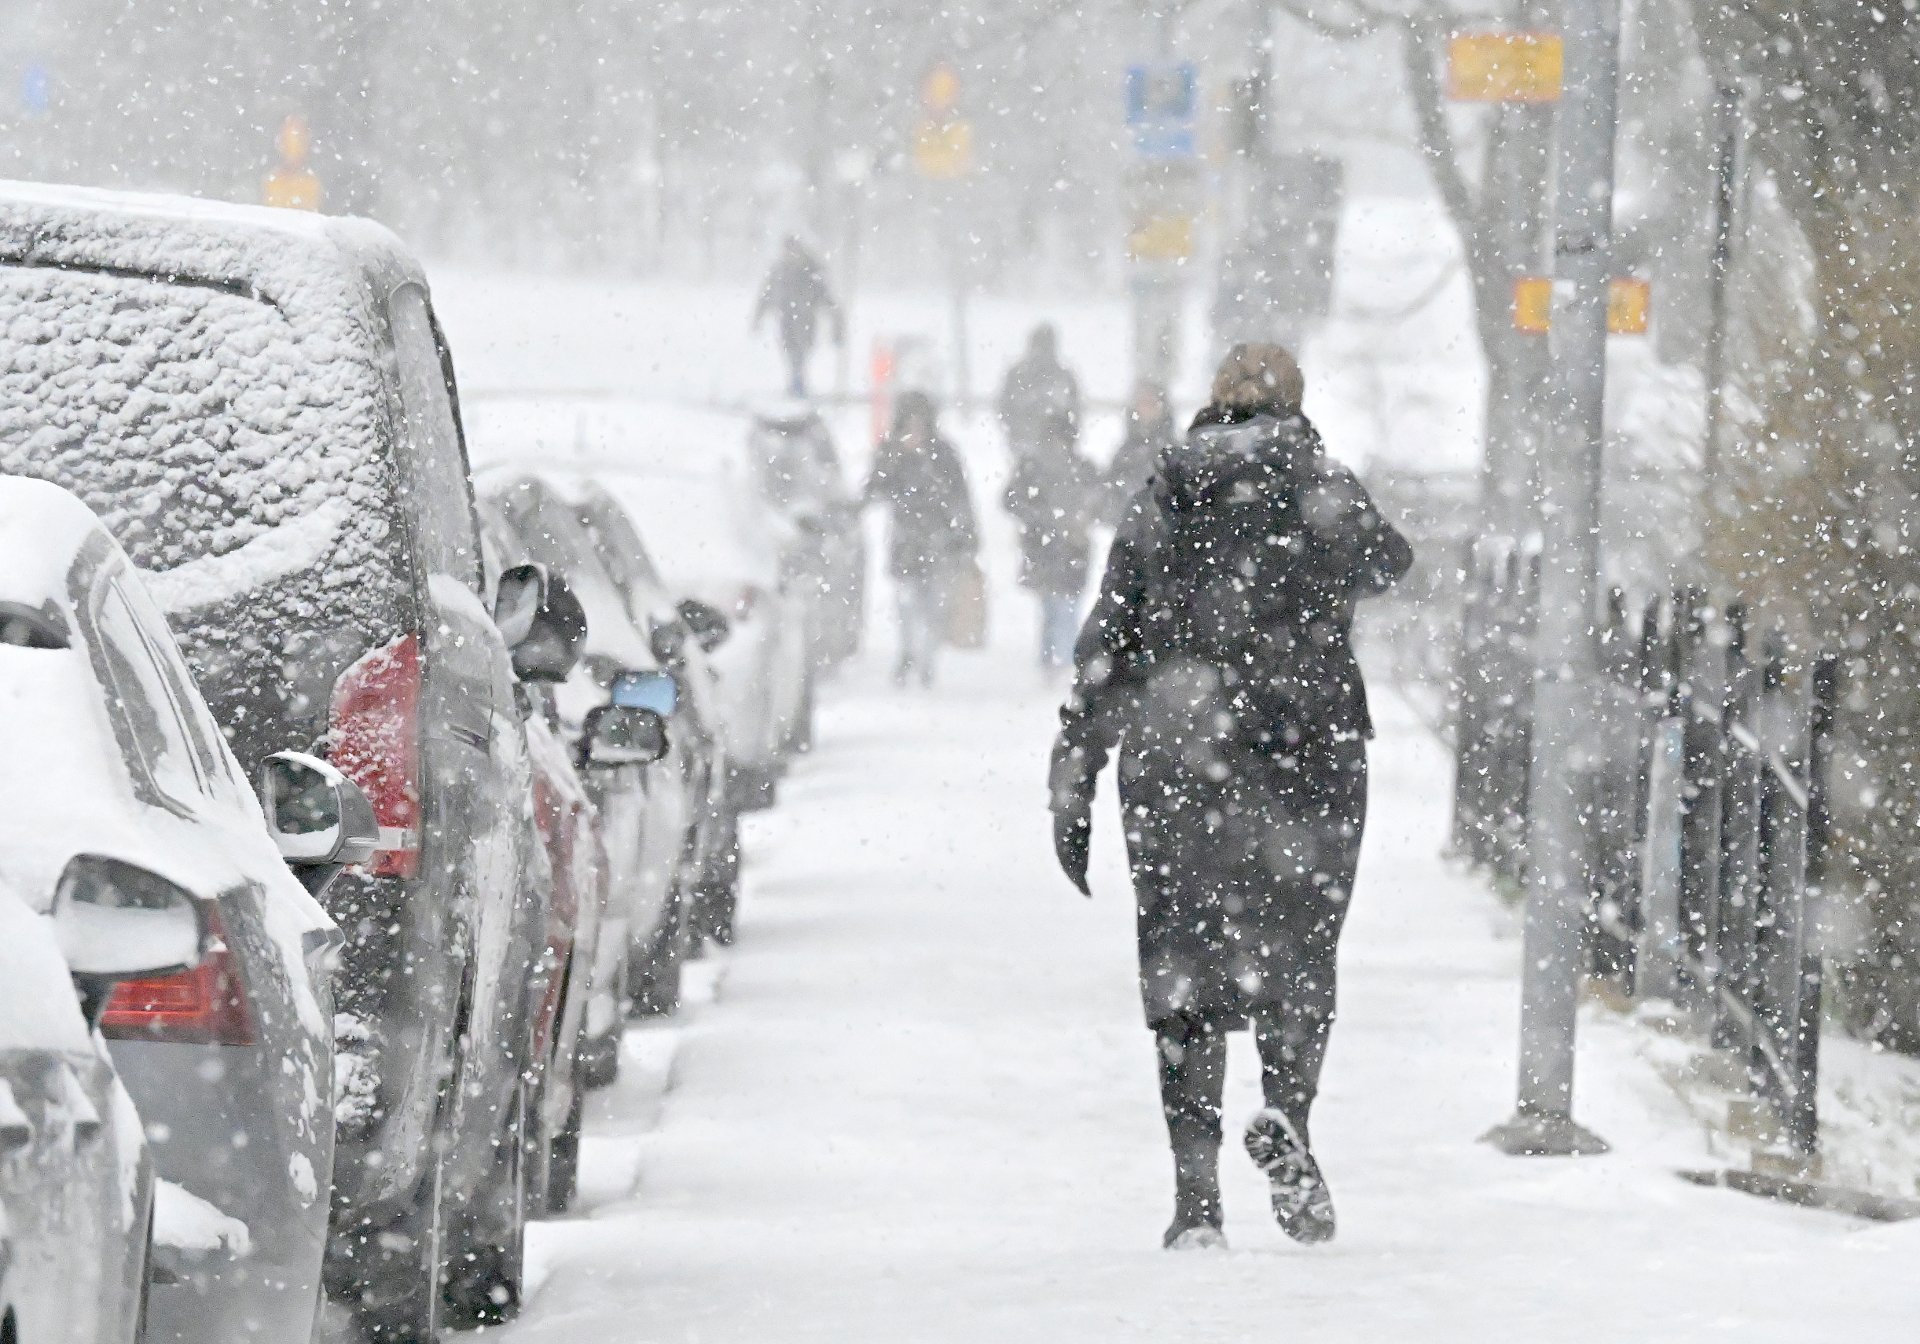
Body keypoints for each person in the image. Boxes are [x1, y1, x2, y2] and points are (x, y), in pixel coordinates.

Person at [1047, 343, 1412, 1252]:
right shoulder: (1322, 485)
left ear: (1214, 405)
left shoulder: (1164, 493)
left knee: (1182, 966)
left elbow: (1110, 634)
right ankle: (1287, 1110)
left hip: (1181, 749)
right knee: (1301, 949)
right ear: (1295, 402)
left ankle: (1197, 1200)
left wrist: (1076, 764)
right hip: (1306, 749)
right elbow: (1390, 562)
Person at [862, 391, 977, 687]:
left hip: (937, 539)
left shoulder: (944, 453)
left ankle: (926, 659)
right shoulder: (892, 451)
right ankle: (908, 652)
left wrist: (965, 535)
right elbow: (874, 488)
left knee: (933, 603)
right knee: (906, 601)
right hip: (905, 539)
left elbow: (960, 495)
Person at [1004, 439, 1094, 673]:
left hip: (1056, 549)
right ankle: (1061, 662)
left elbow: (1011, 500)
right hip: (1057, 549)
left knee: (1058, 609)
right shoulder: (1079, 467)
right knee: (1059, 608)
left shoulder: (1036, 467)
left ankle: (1058, 662)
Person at [754, 236, 843, 398]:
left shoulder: (810, 270)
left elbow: (826, 297)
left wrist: (837, 324)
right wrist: (758, 318)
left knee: (800, 353)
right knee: (790, 352)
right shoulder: (780, 269)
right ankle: (796, 384)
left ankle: (798, 385)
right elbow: (766, 295)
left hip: (805, 319)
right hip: (786, 318)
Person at [996, 323, 1081, 462]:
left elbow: (1076, 412)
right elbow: (1005, 410)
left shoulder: (1063, 377)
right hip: (1026, 445)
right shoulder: (1018, 376)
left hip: (1054, 447)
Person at [1102, 380, 1178, 524]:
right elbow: (1111, 503)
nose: (1146, 409)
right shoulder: (1124, 455)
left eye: (1151, 403)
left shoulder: (1175, 450)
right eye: (1142, 403)